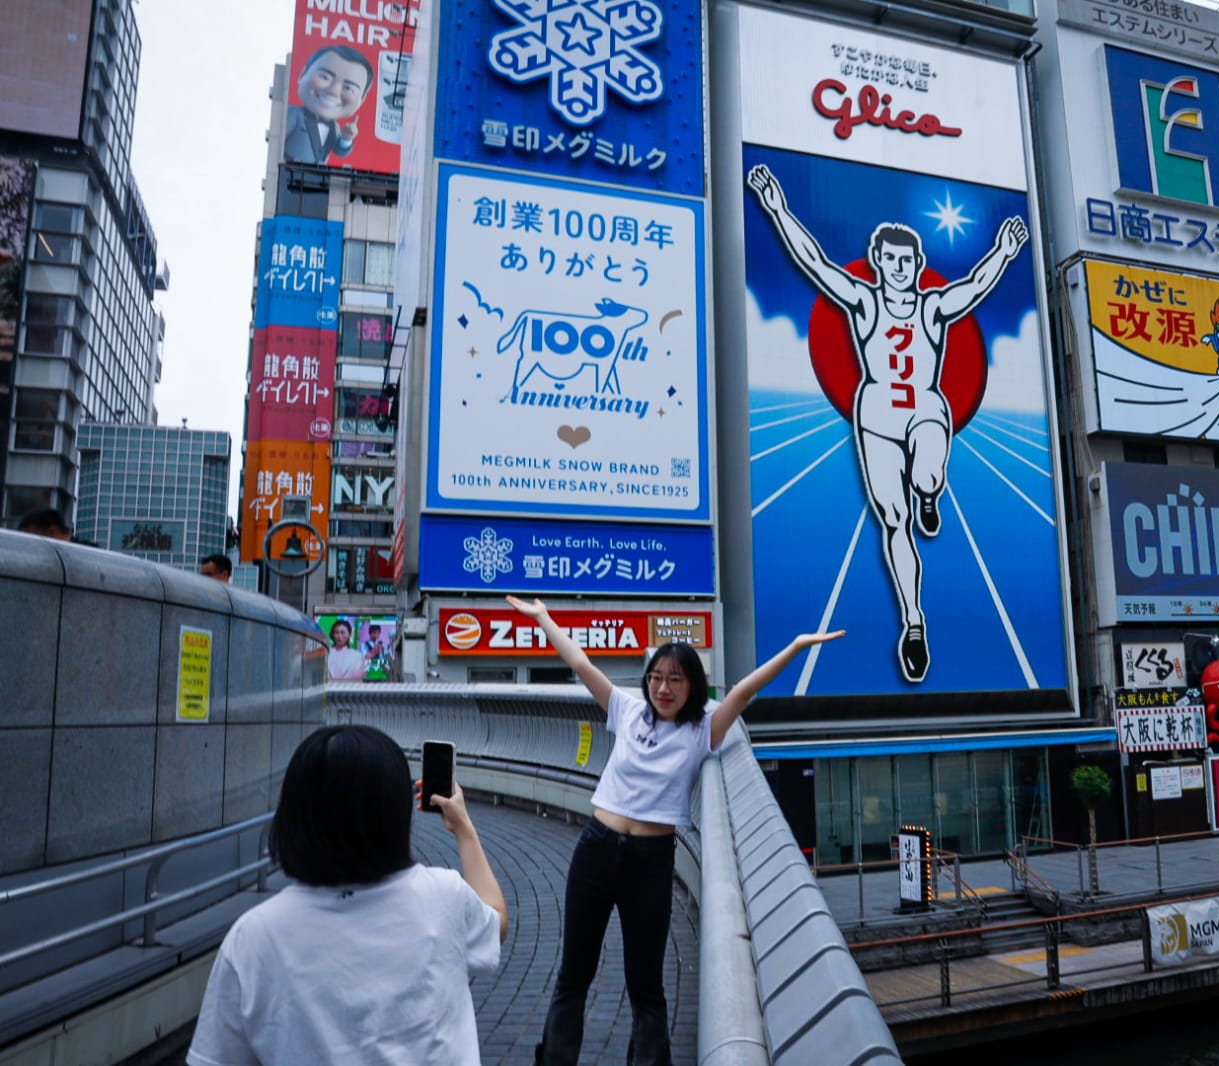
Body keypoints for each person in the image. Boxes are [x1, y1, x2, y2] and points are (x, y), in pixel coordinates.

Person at [505, 594, 842, 1066]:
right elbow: (580, 663)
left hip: (650, 861)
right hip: (596, 849)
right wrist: (544, 619)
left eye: (675, 680)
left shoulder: (703, 730)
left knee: (646, 986)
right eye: (657, 678)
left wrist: (796, 647)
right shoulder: (626, 710)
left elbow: (744, 691)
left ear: (692, 687)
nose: (663, 688)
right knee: (573, 975)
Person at [746, 164, 1028, 683]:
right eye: (890, 259)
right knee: (893, 524)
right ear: (878, 262)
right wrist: (777, 207)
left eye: (907, 260)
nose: (898, 267)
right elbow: (814, 262)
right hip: (875, 414)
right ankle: (914, 623)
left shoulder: (934, 306)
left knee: (925, 475)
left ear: (918, 264)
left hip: (924, 408)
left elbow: (975, 287)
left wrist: (1005, 253)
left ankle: (929, 491)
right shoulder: (863, 302)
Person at [187, 725, 507, 1065]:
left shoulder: (254, 937)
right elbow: (496, 921)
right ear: (394, 813)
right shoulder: (443, 899)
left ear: (294, 815)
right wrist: (463, 828)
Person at [283, 45, 372, 165]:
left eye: (349, 88)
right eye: (325, 77)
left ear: (362, 99)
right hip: (291, 173)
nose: (333, 91)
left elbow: (339, 152)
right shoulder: (293, 114)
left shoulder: (334, 126)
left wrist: (346, 138)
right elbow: (277, 141)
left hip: (316, 179)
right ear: (302, 74)